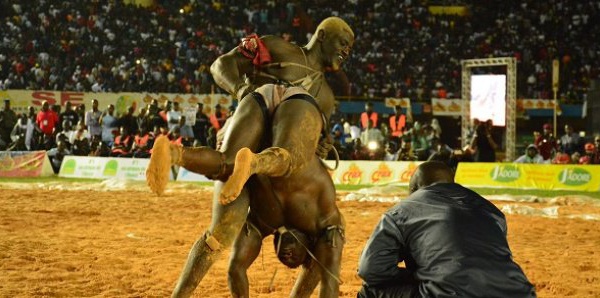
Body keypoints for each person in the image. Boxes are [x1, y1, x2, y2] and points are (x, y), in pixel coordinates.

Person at [147, 16, 354, 298]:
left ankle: (174, 153)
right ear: (321, 35)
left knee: (219, 231)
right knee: (311, 222)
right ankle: (250, 162)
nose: (346, 52)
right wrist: (241, 88)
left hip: (250, 140)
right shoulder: (279, 49)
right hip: (267, 157)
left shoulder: (326, 96)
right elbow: (221, 66)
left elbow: (314, 145)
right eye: (342, 43)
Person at [357, 161, 536, 298]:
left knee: (370, 290)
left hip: (448, 293)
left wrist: (418, 275)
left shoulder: (403, 209)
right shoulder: (493, 211)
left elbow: (370, 269)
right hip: (519, 292)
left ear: (414, 188)